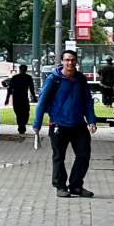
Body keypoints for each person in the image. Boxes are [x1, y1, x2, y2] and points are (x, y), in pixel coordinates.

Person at [34, 49, 99, 198]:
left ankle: (76, 185)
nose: (70, 63)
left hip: (78, 125)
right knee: (59, 157)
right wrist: (37, 124)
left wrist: (91, 121)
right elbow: (42, 102)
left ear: (76, 62)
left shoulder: (81, 79)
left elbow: (87, 102)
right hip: (58, 125)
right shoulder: (53, 79)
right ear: (62, 62)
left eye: (73, 60)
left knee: (83, 155)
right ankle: (60, 186)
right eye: (67, 60)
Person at [3, 63, 36, 135]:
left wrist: (34, 97)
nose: (23, 71)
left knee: (23, 112)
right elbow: (10, 89)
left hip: (21, 97)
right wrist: (7, 98)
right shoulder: (17, 78)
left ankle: (22, 125)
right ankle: (21, 126)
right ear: (21, 70)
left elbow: (31, 89)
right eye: (22, 69)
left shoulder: (26, 78)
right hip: (19, 97)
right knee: (20, 113)